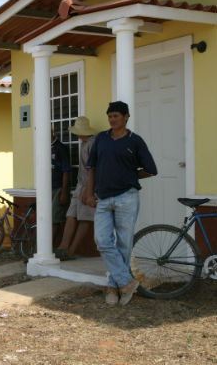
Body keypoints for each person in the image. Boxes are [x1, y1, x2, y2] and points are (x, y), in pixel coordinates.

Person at [83, 101, 157, 306]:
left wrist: (130, 177)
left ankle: (113, 287)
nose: (112, 119)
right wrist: (89, 193)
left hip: (127, 197)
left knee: (124, 244)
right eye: (110, 116)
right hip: (103, 198)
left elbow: (151, 169)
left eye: (116, 116)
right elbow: (92, 168)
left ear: (126, 117)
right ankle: (126, 282)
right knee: (102, 240)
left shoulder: (136, 141)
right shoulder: (101, 139)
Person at [54, 117, 97, 260]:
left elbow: (94, 169)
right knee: (71, 214)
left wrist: (89, 190)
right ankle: (63, 247)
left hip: (89, 186)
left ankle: (71, 251)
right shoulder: (85, 143)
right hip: (80, 185)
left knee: (85, 218)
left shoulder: (92, 144)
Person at [51, 128, 71, 243]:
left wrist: (63, 192)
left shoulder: (60, 148)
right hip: (47, 189)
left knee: (55, 219)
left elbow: (66, 171)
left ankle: (49, 247)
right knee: (48, 219)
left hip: (58, 188)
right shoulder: (43, 147)